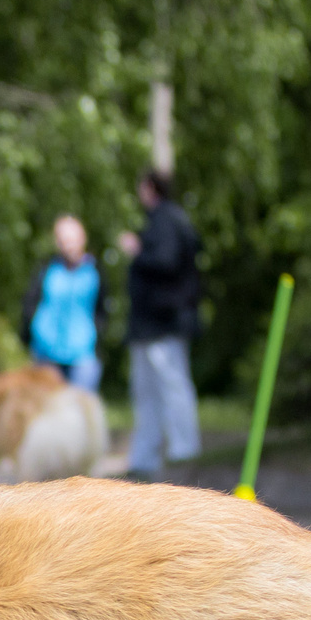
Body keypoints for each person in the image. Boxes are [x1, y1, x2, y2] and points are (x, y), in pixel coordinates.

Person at [117, 171, 203, 477]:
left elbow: (167, 261)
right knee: (146, 392)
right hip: (149, 326)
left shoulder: (166, 221)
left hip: (162, 323)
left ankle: (184, 448)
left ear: (149, 188)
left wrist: (137, 250)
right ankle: (145, 457)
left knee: (171, 385)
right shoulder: (165, 220)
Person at [19, 213, 102, 392]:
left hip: (83, 353)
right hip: (46, 354)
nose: (68, 245)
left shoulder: (95, 270)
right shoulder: (47, 269)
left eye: (72, 239)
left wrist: (97, 334)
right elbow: (30, 303)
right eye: (63, 239)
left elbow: (102, 308)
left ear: (83, 239)